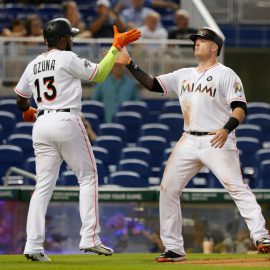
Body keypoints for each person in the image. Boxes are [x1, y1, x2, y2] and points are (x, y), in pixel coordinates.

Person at [116, 27, 270, 262]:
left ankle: (261, 236)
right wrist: (129, 63)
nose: (196, 43)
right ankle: (174, 248)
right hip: (188, 139)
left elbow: (240, 108)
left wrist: (226, 128)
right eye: (195, 40)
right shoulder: (183, 74)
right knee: (168, 189)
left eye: (202, 40)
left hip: (216, 138)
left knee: (236, 187)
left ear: (214, 47)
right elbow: (152, 84)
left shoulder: (226, 74)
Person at [14, 17, 141, 262]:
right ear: (62, 39)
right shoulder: (66, 57)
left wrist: (27, 110)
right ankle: (90, 238)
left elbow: (20, 96)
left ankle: (33, 245)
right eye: (70, 36)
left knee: (42, 187)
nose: (71, 40)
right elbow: (100, 74)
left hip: (41, 123)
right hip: (66, 120)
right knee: (88, 177)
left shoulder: (33, 64)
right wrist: (115, 47)